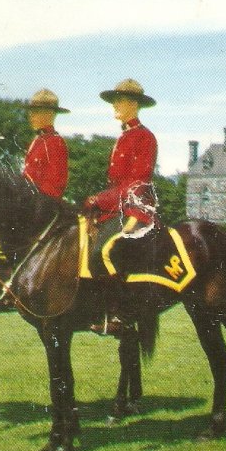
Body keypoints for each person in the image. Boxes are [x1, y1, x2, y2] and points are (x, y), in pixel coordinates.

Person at [83, 78, 158, 333]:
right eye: (114, 100)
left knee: (104, 251)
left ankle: (121, 315)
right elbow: (116, 182)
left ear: (134, 104)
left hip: (137, 207)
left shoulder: (144, 137)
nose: (115, 105)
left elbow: (137, 182)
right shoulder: (124, 136)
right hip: (118, 206)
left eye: (120, 100)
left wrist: (101, 199)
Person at [23, 88, 69, 199]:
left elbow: (55, 186)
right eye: (31, 111)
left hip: (42, 206)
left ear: (50, 113)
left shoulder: (55, 142)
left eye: (36, 111)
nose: (31, 116)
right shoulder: (37, 141)